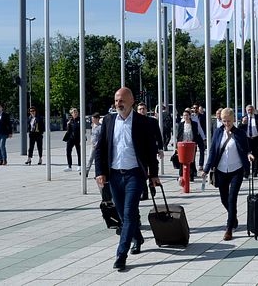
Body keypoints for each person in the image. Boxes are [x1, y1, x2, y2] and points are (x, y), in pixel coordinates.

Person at [94, 87, 161, 271]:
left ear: (131, 101)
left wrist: (153, 174)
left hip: (134, 175)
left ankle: (121, 255)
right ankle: (137, 238)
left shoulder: (143, 122)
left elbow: (150, 151)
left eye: (121, 100)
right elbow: (100, 149)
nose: (118, 104)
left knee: (130, 213)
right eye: (116, 101)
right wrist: (100, 172)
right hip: (115, 175)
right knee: (123, 216)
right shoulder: (108, 121)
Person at [201, 108, 254, 241]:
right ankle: (233, 217)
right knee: (224, 199)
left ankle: (229, 228)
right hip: (221, 170)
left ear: (233, 120)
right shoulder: (218, 132)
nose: (226, 123)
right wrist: (206, 170)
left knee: (232, 199)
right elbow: (213, 151)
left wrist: (249, 155)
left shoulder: (240, 133)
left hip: (237, 169)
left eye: (229, 121)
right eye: (224, 121)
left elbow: (246, 149)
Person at [177, 108, 204, 183]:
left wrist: (196, 142)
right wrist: (177, 146)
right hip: (183, 145)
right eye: (184, 115)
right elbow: (179, 135)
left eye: (186, 115)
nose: (185, 117)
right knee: (182, 160)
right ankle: (181, 175)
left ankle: (191, 176)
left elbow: (196, 134)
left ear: (189, 116)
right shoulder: (181, 124)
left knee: (191, 160)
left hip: (192, 144)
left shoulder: (194, 124)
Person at [239, 105, 258, 177]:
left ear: (253, 110)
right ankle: (246, 172)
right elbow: (239, 129)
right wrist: (242, 123)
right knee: (246, 155)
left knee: (256, 155)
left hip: (256, 138)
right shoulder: (244, 118)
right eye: (248, 110)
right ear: (246, 110)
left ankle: (255, 171)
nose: (250, 111)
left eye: (251, 109)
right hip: (247, 139)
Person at [84, 112, 102, 178]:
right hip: (93, 145)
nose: (92, 120)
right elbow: (92, 135)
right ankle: (86, 172)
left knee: (97, 161)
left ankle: (97, 174)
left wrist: (97, 144)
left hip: (98, 146)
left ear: (97, 119)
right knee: (90, 159)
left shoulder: (100, 127)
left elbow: (101, 137)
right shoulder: (93, 125)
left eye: (93, 118)